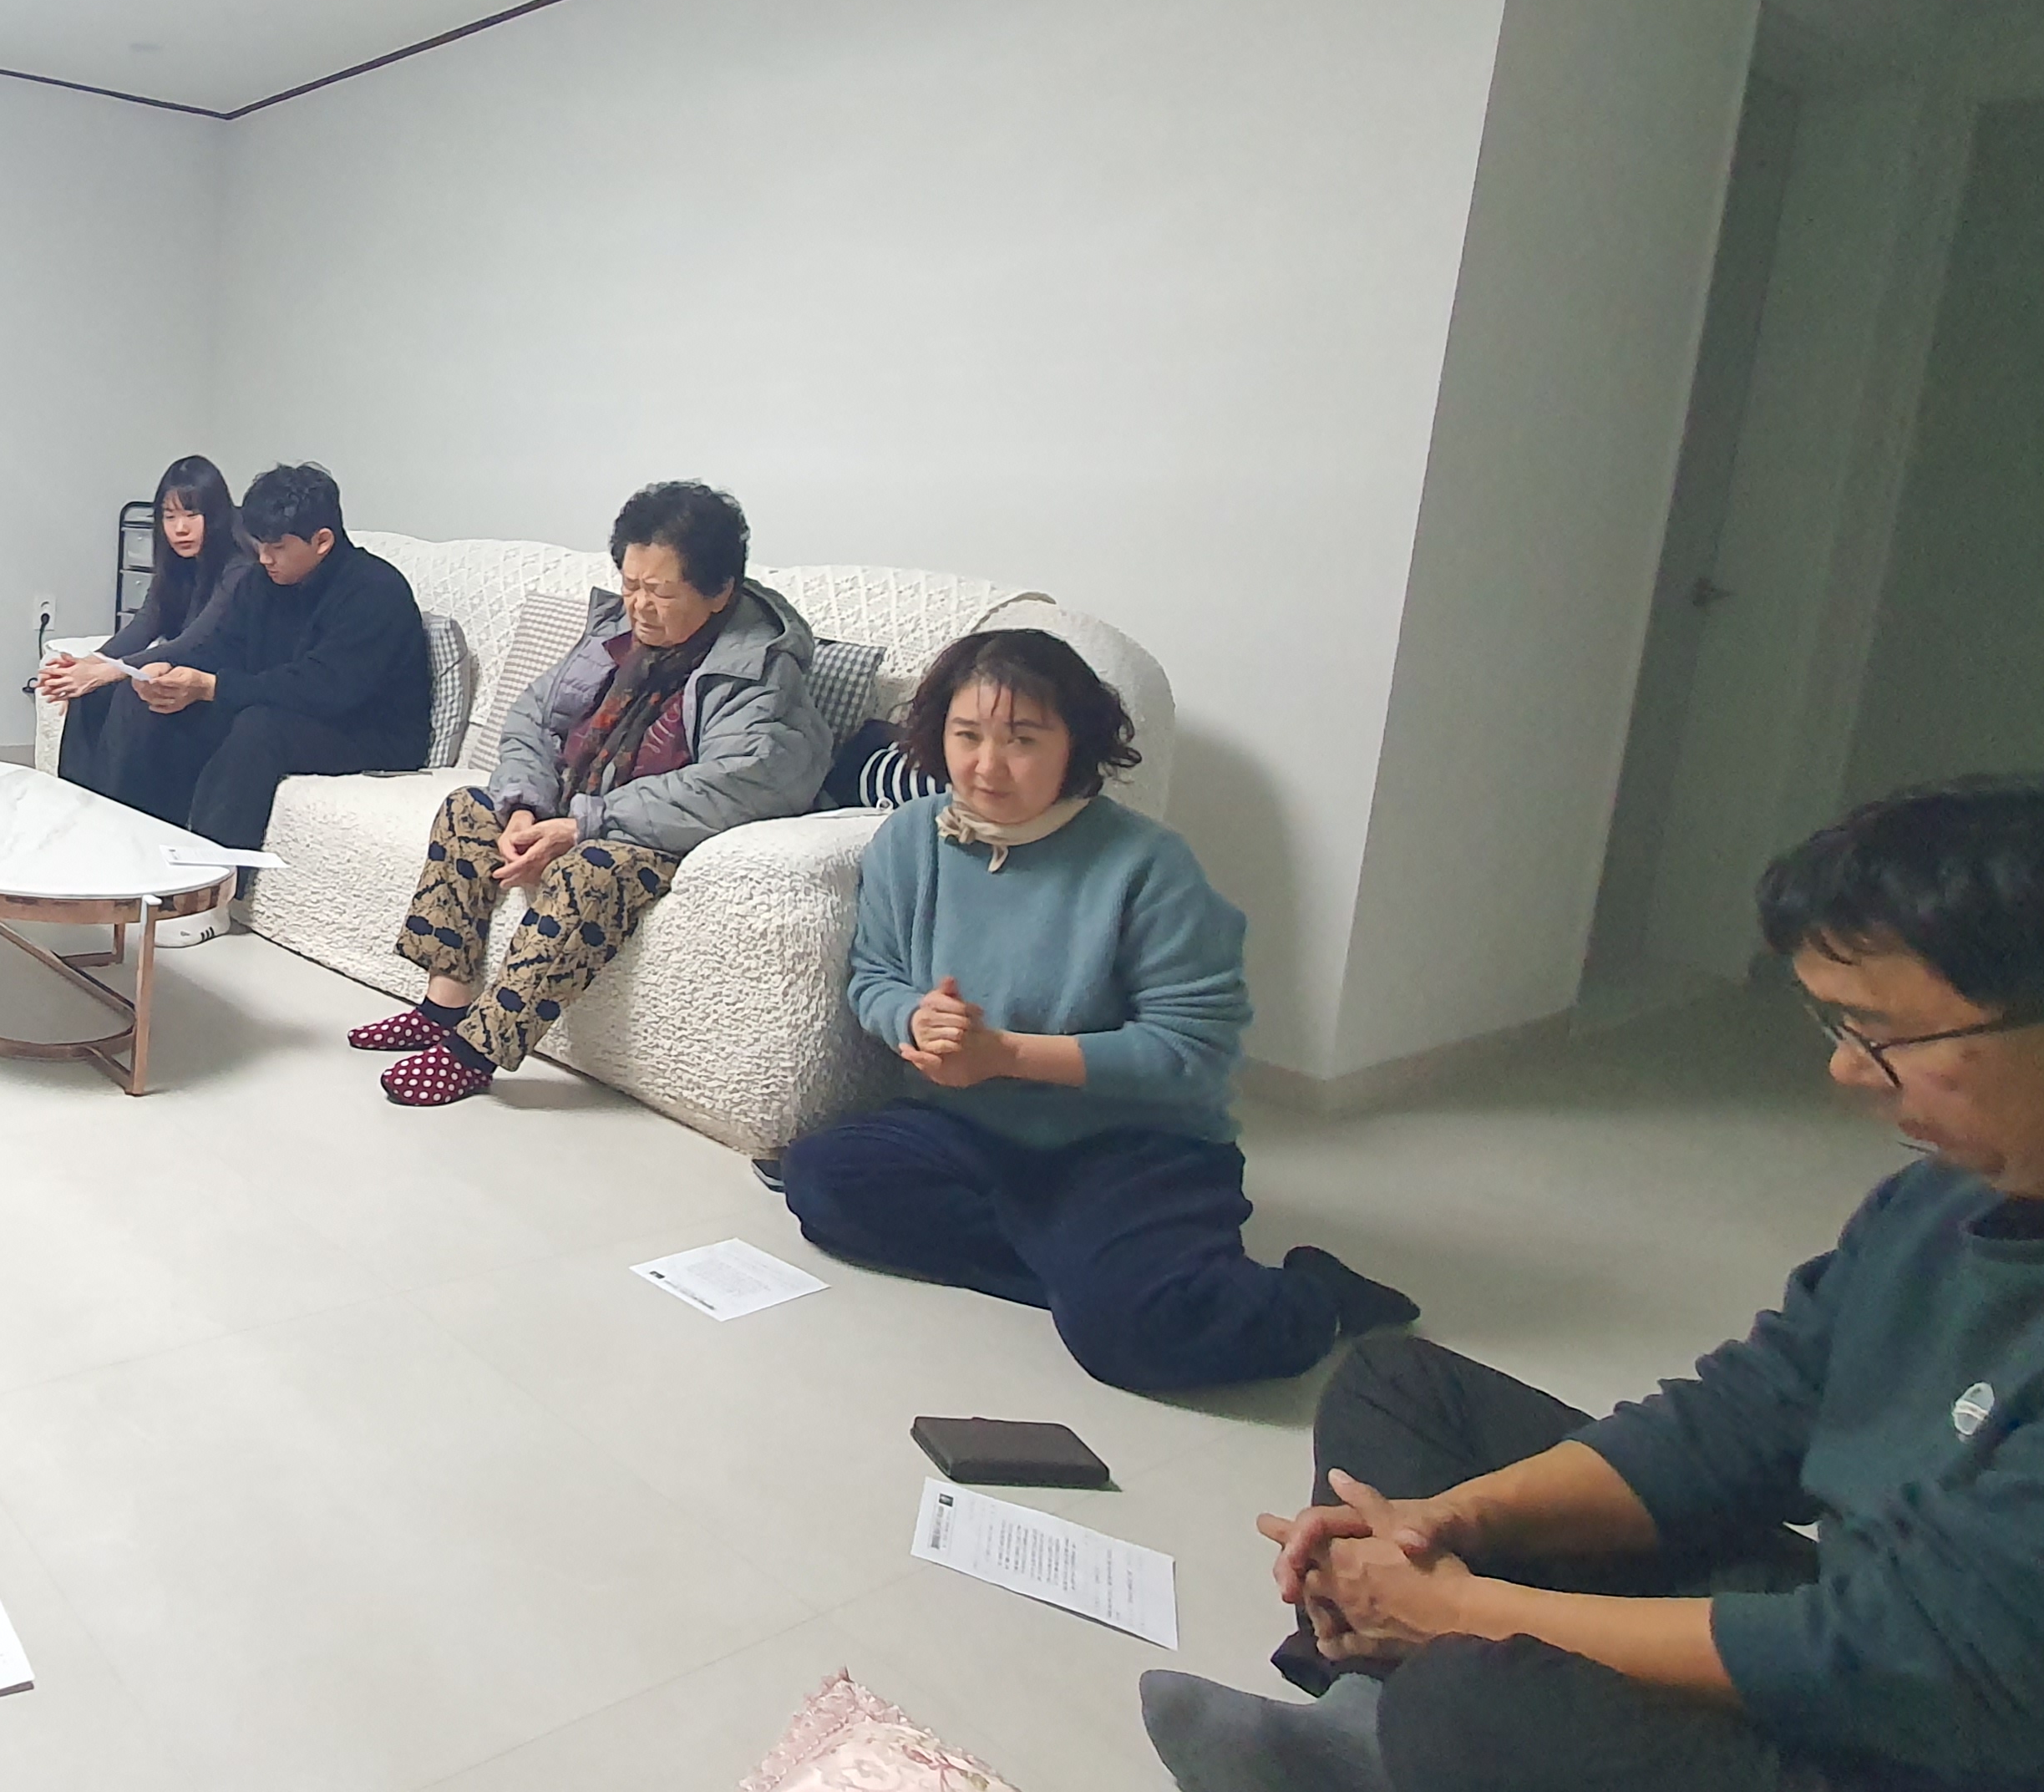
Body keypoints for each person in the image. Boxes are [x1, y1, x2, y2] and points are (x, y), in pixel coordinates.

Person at [1141, 779, 2044, 1792]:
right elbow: (1739, 1422)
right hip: (1858, 1616)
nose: (1846, 1073)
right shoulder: (1932, 1201)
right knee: (1399, 1392)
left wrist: (1460, 1612)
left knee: (1472, 1692)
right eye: (1837, 1027)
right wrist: (1446, 1526)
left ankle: (1396, 1736)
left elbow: (1883, 1657)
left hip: (1931, 1726)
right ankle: (1364, 1732)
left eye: (1882, 1036)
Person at [773, 629, 1418, 1391]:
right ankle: (1091, 1271)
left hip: (1130, 1142)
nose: (987, 765)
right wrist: (915, 1020)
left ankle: (1318, 1299)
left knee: (1142, 1337)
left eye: (1022, 739)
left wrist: (1005, 1055)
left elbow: (1191, 1053)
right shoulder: (912, 837)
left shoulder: (1150, 866)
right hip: (969, 1128)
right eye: (967, 735)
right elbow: (875, 976)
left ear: (1075, 743)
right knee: (822, 1180)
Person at [358, 480, 829, 1105]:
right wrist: (525, 806)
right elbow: (533, 716)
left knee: (593, 871)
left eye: (661, 592)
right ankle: (443, 1009)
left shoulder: (758, 666)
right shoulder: (614, 630)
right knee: (470, 811)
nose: (640, 606)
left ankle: (476, 1053)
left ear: (720, 592)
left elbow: (740, 781)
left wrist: (585, 825)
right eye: (630, 585)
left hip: (655, 834)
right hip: (578, 805)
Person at [73, 461, 432, 854]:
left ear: (322, 541)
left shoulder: (376, 591)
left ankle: (213, 877)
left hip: (368, 731)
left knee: (257, 728)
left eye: (277, 548)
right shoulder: (263, 582)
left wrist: (213, 687)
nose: (264, 558)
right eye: (260, 544)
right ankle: (123, 847)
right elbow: (223, 645)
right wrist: (173, 672)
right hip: (283, 704)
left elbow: (325, 687)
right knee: (146, 701)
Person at [48, 454, 246, 798]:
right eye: (169, 516)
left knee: (130, 693)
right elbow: (144, 624)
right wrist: (87, 665)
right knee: (90, 694)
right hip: (181, 672)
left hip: (216, 689)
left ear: (215, 514)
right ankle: (75, 805)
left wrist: (106, 672)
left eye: (191, 514)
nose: (180, 528)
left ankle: (120, 812)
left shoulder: (240, 568)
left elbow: (193, 642)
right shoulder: (178, 565)